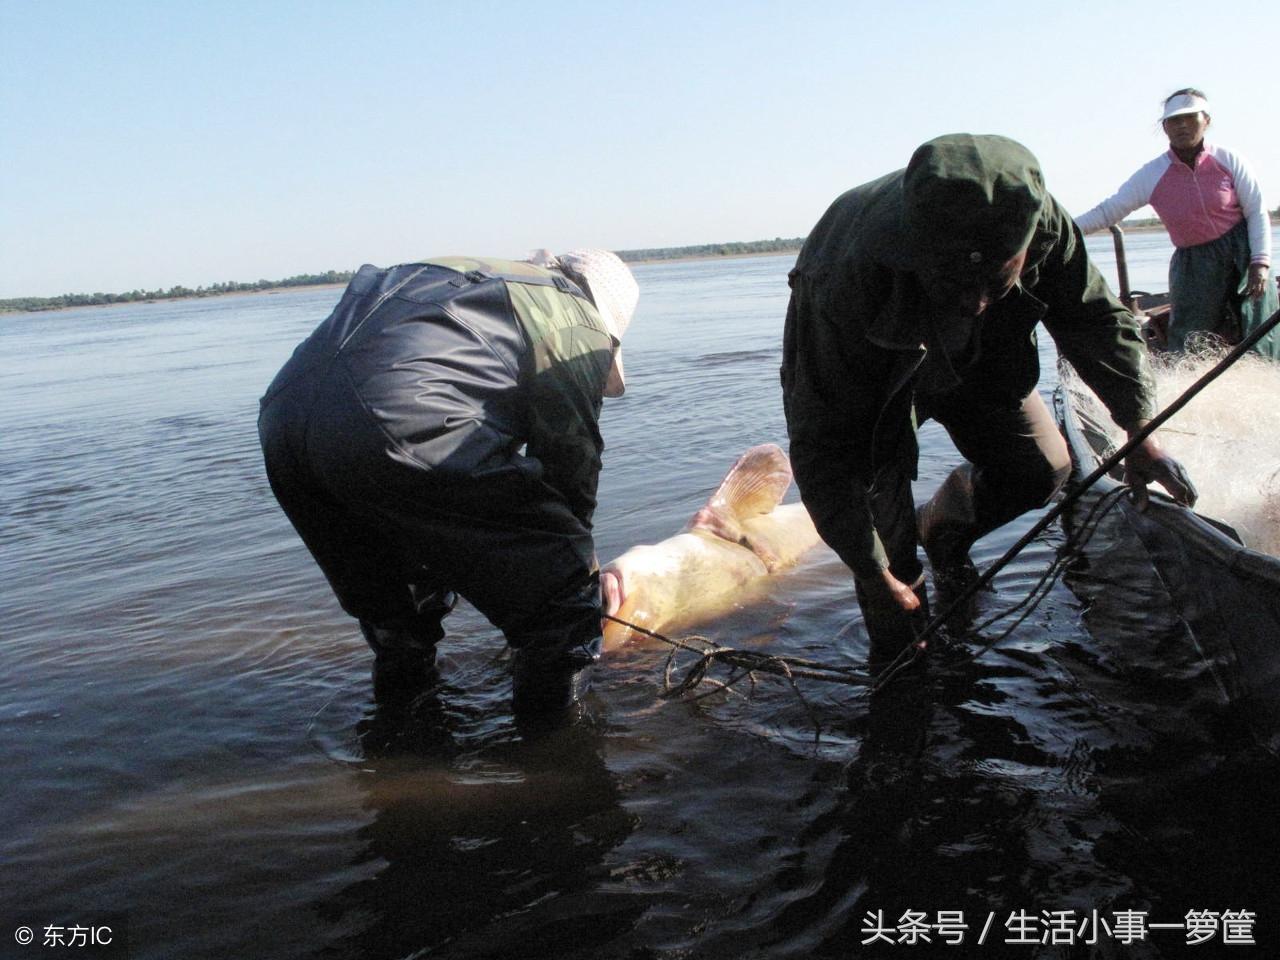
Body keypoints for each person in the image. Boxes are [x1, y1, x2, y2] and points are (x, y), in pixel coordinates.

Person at [781, 134, 1197, 661]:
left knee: (1042, 469)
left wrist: (1139, 431)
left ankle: (945, 534)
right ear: (916, 251)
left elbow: (1095, 321)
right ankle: (904, 673)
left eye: (994, 282)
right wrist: (868, 566)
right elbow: (824, 438)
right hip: (877, 385)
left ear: (1025, 245)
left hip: (983, 365)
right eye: (957, 282)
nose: (976, 303)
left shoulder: (1044, 224)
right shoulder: (844, 275)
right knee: (890, 570)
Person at [258, 249, 638, 714]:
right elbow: (569, 460)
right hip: (402, 423)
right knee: (560, 614)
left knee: (399, 613)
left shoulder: (457, 278)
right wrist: (578, 571)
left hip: (284, 427)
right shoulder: (573, 316)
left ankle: (401, 742)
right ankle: (554, 770)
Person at [1075, 89, 1278, 357]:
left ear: (1206, 120)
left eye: (1190, 117)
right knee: (1190, 339)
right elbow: (1108, 211)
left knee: (1260, 326)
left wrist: (1260, 263)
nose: (1182, 125)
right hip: (1194, 263)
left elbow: (1256, 212)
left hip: (1243, 252)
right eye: (1174, 120)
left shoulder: (1229, 160)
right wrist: (1058, 229)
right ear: (1164, 127)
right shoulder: (1153, 174)